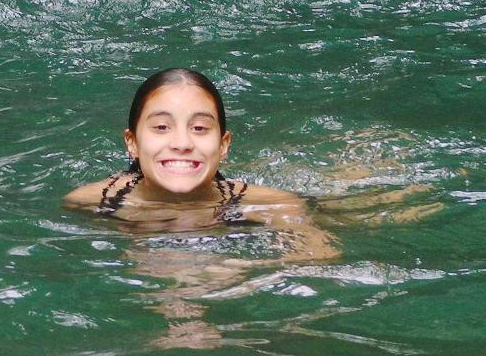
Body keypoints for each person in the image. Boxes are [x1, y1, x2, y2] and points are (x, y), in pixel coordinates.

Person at [64, 68, 331, 245]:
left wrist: (241, 271)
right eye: (161, 127)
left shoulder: (273, 206)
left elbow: (317, 260)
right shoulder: (92, 203)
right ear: (132, 143)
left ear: (224, 145)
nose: (182, 143)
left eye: (200, 128)